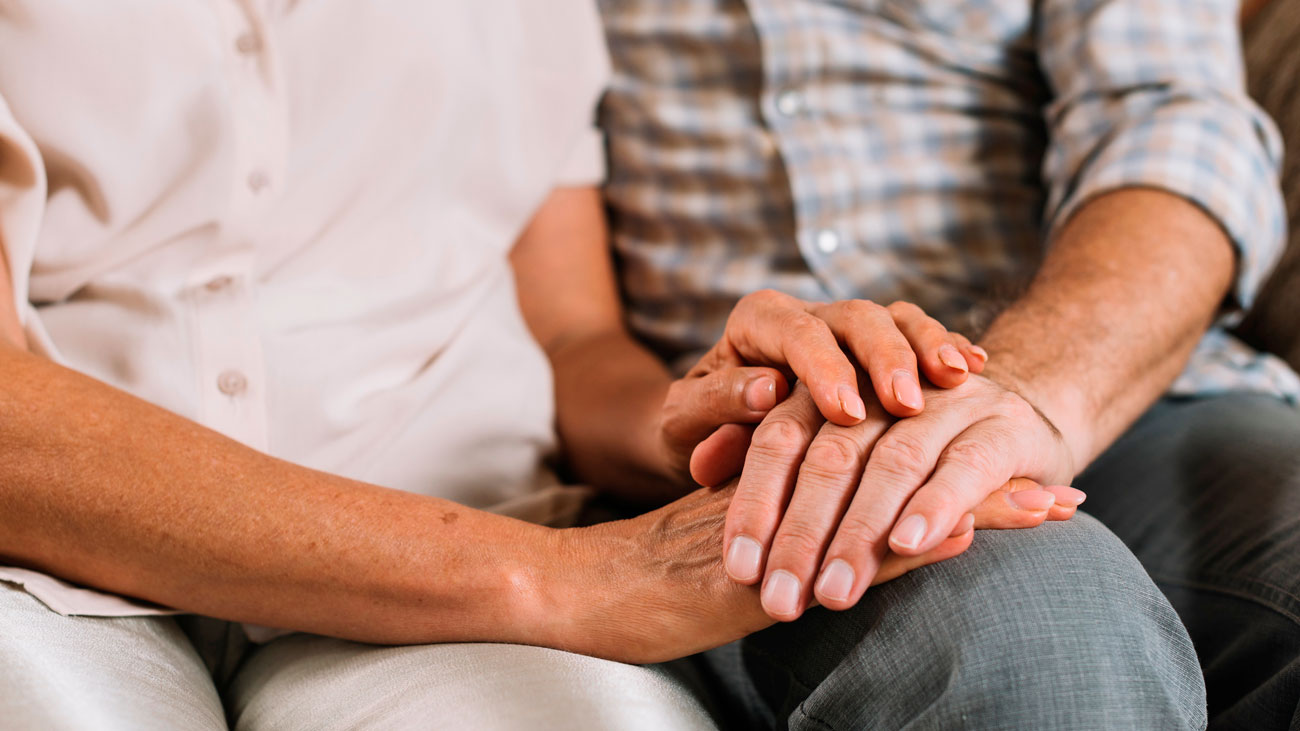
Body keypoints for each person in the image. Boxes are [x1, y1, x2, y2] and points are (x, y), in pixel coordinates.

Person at [0, 2, 1203, 729]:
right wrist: (562, 581)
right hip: (50, 571)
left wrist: (723, 412)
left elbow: (574, 340)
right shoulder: (552, 575)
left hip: (461, 526)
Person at [596, 0, 1300, 727]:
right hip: (754, 459)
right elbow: (572, 337)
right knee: (1043, 632)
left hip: (1119, 380)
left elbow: (1174, 127)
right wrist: (706, 424)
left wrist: (1028, 387)